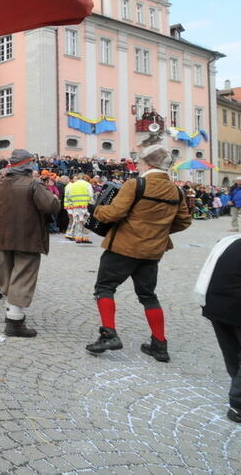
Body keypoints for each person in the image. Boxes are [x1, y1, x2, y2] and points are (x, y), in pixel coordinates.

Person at [84, 145, 191, 362]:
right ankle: (160, 345)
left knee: (105, 287)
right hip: (152, 251)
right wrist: (158, 231)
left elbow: (114, 213)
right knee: (148, 296)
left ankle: (108, 335)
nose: (138, 165)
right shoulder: (176, 190)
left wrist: (95, 209)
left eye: (140, 162)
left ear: (148, 163)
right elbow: (184, 221)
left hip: (124, 247)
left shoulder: (137, 184)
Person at [0, 149, 61, 337]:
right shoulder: (32, 185)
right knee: (23, 276)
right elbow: (50, 206)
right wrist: (54, 198)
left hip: (4, 237)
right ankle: (15, 321)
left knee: (8, 274)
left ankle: (9, 311)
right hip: (27, 237)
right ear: (28, 165)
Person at [194, 235, 241, 424]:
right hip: (233, 305)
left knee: (231, 348)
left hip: (214, 303)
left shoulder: (230, 240)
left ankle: (236, 387)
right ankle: (238, 403)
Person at [64, 173, 94, 244]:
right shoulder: (87, 184)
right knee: (85, 221)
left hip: (76, 206)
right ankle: (85, 237)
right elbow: (91, 194)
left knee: (77, 221)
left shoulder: (73, 185)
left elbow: (68, 196)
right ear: (84, 177)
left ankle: (78, 237)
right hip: (86, 205)